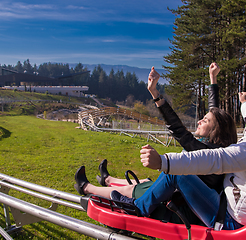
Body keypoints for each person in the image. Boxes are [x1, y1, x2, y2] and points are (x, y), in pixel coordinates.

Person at [109, 90, 246, 230]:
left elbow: (217, 159)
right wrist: (244, 102)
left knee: (178, 175)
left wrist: (163, 162)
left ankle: (138, 208)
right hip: (234, 209)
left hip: (229, 220)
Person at [74, 63, 236, 207]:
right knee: (145, 182)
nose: (200, 120)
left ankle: (86, 188)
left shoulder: (205, 153)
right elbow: (214, 112)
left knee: (132, 189)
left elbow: (178, 130)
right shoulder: (220, 153)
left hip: (176, 197)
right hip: (176, 190)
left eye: (205, 121)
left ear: (215, 130)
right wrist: (212, 79)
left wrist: (155, 94)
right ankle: (108, 180)